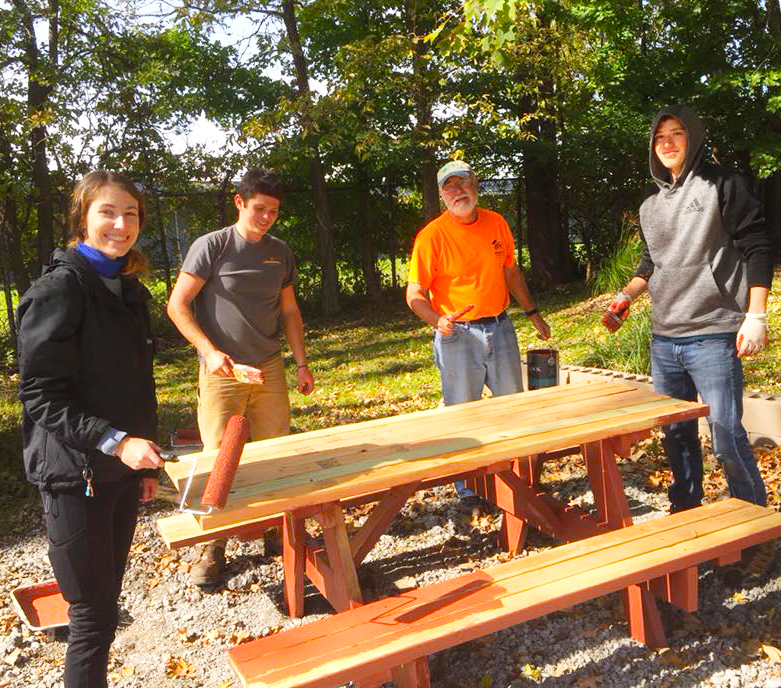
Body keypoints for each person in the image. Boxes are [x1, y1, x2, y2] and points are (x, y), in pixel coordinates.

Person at [17, 171, 164, 688]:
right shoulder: (60, 290)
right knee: (90, 617)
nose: (121, 224)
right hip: (71, 476)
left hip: (121, 473)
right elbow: (39, 395)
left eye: (132, 213)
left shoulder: (127, 289)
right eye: (108, 212)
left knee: (104, 605)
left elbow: (135, 385)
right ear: (82, 218)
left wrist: (144, 464)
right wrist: (116, 441)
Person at [606, 104, 771, 514]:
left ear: (692, 138)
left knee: (726, 435)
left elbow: (758, 246)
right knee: (676, 434)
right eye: (660, 137)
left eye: (677, 134)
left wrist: (757, 316)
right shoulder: (650, 206)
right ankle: (687, 517)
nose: (667, 143)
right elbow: (650, 263)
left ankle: (755, 525)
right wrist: (626, 297)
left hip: (713, 335)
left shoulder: (723, 185)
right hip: (665, 340)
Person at [167, 167, 314, 586]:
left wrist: (300, 362)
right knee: (219, 458)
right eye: (259, 209)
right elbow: (178, 305)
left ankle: (275, 531)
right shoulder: (211, 247)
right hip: (223, 370)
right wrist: (210, 353)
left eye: (273, 211)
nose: (266, 217)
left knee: (273, 453)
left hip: (268, 367)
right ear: (240, 203)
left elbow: (289, 311)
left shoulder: (280, 253)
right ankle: (213, 547)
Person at [406, 160, 551, 513]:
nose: (459, 191)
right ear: (441, 194)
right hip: (457, 335)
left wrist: (532, 312)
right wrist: (436, 320)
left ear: (476, 186)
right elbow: (414, 294)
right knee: (463, 413)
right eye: (450, 186)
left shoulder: (496, 222)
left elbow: (511, 272)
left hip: (500, 327)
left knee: (513, 407)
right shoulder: (431, 237)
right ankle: (468, 488)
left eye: (464, 183)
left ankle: (519, 479)